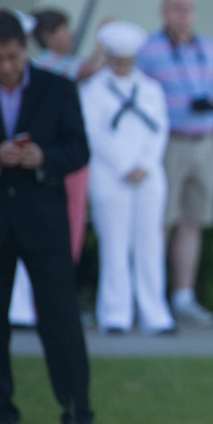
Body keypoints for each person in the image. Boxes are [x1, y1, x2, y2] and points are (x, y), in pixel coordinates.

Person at [0, 9, 95, 424]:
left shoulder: (56, 88)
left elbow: (79, 149)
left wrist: (44, 158)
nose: (5, 66)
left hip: (42, 220)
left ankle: (78, 411)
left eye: (13, 57)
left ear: (27, 50)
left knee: (60, 320)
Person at [137, 0, 213, 327]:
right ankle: (151, 298)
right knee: (161, 222)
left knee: (192, 222)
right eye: (176, 8)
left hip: (204, 143)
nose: (183, 14)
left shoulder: (208, 47)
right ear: (164, 11)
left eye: (188, 8)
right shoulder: (150, 50)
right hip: (168, 144)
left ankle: (183, 297)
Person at [81, 21, 175, 335]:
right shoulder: (93, 90)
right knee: (115, 245)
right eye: (117, 60)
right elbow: (94, 133)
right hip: (111, 175)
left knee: (150, 244)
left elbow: (159, 128)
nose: (122, 66)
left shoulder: (150, 88)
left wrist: (145, 164)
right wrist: (124, 165)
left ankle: (155, 313)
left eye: (128, 60)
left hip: (148, 175)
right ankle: (115, 313)